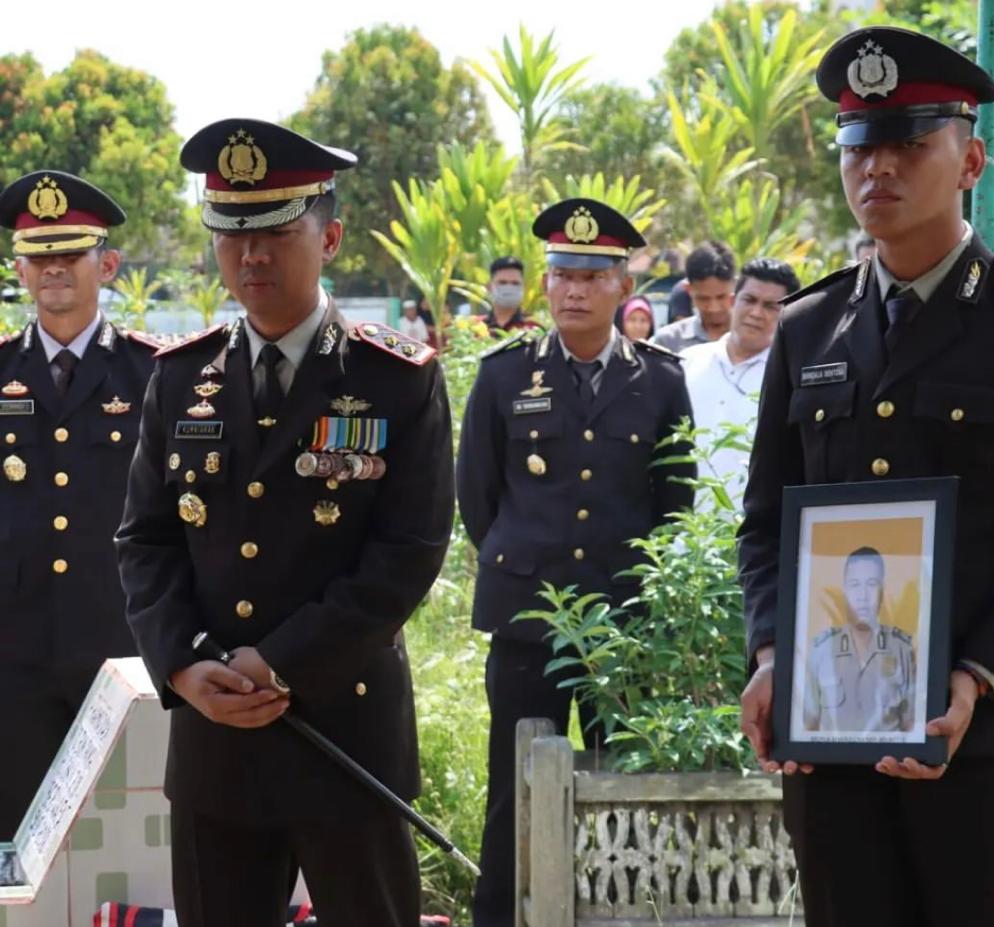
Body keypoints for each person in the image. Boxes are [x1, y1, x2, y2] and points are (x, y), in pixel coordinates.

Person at [114, 118, 455, 927]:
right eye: (232, 234)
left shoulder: (395, 379)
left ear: (329, 237)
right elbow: (147, 540)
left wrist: (281, 659)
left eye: (274, 231)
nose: (252, 256)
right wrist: (185, 667)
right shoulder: (180, 377)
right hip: (215, 744)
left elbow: (406, 555)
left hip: (345, 734)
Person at [738, 27, 994, 927]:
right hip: (831, 749)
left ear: (971, 157)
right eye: (862, 147)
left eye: (909, 143)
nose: (879, 170)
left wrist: (979, 675)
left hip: (983, 751)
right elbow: (763, 525)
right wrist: (775, 652)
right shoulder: (807, 328)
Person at [457, 197, 695, 927]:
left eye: (592, 276)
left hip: (622, 626)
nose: (573, 290)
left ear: (625, 286)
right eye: (561, 273)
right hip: (528, 622)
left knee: (622, 785)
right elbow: (478, 496)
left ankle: (618, 913)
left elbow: (674, 500)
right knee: (514, 788)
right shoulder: (504, 376)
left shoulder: (659, 380)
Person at [0, 170, 158, 836]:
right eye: (39, 254)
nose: (53, 267)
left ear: (109, 263)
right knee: (17, 842)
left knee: (121, 838)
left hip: (120, 644)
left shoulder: (154, 374)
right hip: (16, 652)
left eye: (71, 251)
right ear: (19, 268)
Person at [681, 257, 798, 505]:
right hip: (685, 534)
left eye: (770, 306)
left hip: (752, 531)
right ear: (733, 301)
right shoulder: (686, 364)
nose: (756, 313)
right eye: (750, 300)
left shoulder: (791, 378)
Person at [804, 547, 915, 733]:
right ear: (844, 590)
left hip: (889, 760)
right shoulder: (821, 650)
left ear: (882, 590)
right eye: (854, 585)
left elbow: (911, 725)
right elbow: (808, 725)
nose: (863, 596)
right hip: (830, 760)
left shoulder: (902, 648)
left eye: (871, 584)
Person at [652, 241, 735, 353]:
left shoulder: (755, 340)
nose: (713, 307)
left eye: (721, 297)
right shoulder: (668, 342)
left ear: (734, 286)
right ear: (688, 289)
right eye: (704, 298)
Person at [475, 256, 543, 337]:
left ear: (523, 287)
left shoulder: (534, 328)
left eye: (515, 283)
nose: (509, 287)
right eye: (502, 282)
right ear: (489, 287)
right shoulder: (474, 327)